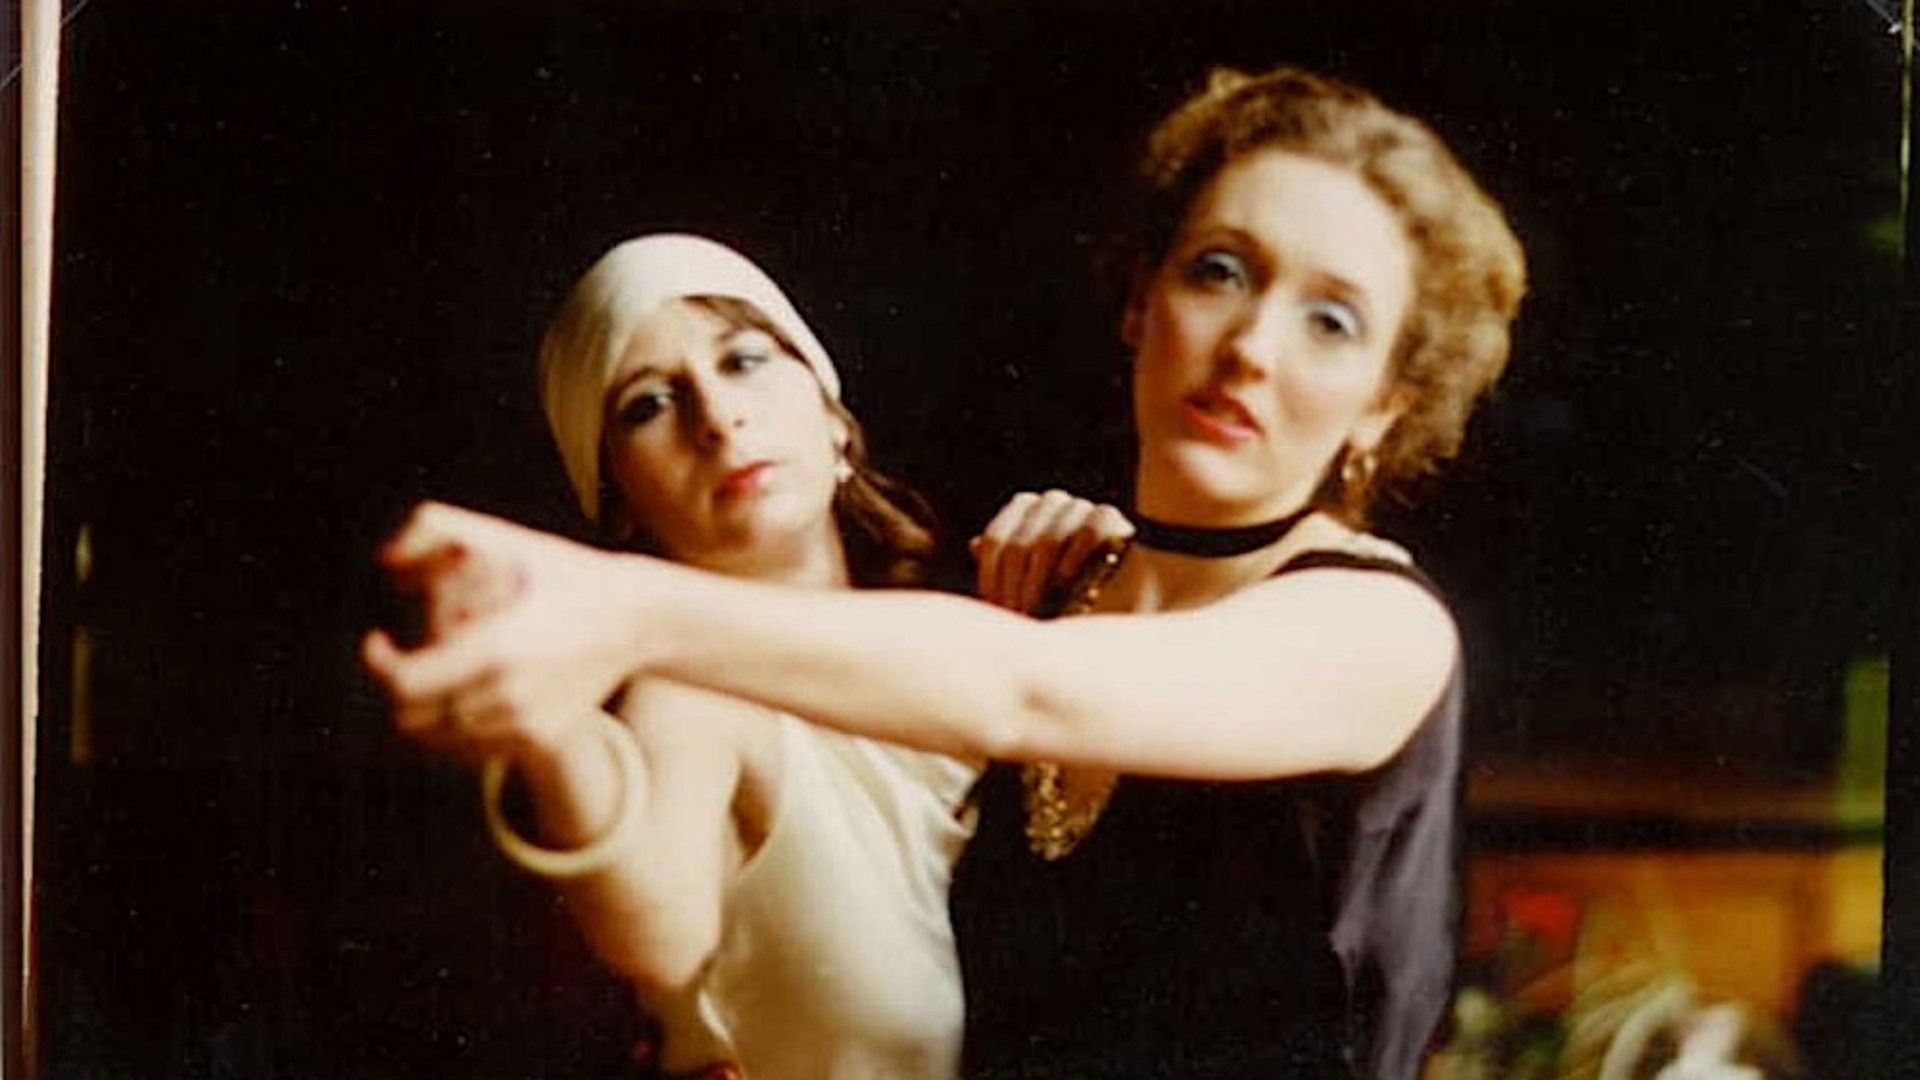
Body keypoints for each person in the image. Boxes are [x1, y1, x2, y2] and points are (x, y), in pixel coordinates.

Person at [367, 66, 1526, 1080]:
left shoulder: (1379, 630)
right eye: (1220, 271)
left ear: (1385, 406)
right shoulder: (1058, 588)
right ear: (1140, 299)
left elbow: (1024, 689)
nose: (1252, 349)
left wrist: (618, 603)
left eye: (1332, 322)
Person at [383, 233, 1117, 1080]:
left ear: (835, 422)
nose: (716, 418)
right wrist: (555, 735)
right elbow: (659, 931)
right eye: (649, 405)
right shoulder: (697, 701)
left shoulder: (982, 625)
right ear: (619, 505)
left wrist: (1119, 577)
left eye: (743, 361)